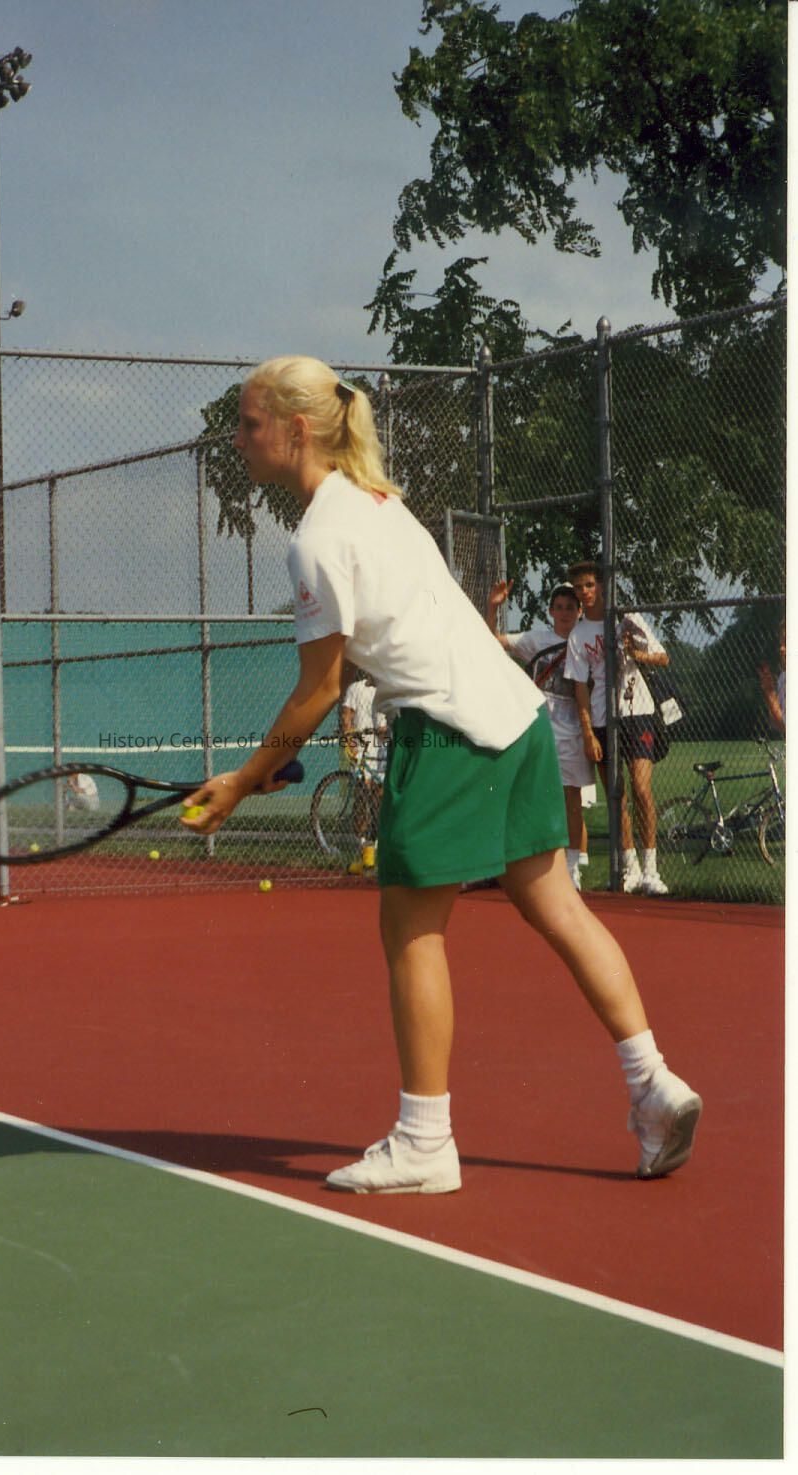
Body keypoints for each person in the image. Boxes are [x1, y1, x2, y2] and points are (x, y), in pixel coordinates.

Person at [180, 356, 701, 1194]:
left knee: (410, 932)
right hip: (520, 722)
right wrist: (270, 762)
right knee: (558, 905)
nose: (236, 440)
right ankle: (654, 1085)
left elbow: (318, 687)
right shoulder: (380, 505)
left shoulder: (315, 538)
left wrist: (241, 780)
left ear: (296, 429)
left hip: (448, 733)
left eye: (248, 424)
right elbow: (366, 656)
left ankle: (425, 1141)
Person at [564, 563, 671, 897]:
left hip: (638, 711)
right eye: (578, 587)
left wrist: (634, 652)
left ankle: (651, 870)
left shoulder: (627, 618)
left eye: (589, 585)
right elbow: (580, 687)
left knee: (641, 787)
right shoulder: (579, 635)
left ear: (601, 586)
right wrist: (588, 733)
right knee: (616, 796)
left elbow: (662, 657)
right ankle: (630, 868)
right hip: (602, 718)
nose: (584, 592)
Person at [487, 578, 593, 890]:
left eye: (570, 607)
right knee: (528, 791)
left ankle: (572, 867)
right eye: (559, 607)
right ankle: (521, 862)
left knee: (571, 797)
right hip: (539, 722)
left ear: (579, 611)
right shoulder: (537, 638)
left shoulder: (585, 640)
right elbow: (493, 641)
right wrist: (493, 607)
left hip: (573, 725)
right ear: (550, 611)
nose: (564, 613)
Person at [339, 670, 387, 871]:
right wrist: (349, 741)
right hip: (362, 749)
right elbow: (347, 717)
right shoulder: (356, 689)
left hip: (382, 749)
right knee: (362, 795)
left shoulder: (386, 689)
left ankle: (375, 848)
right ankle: (361, 847)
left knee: (379, 798)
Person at [757, 623, 785, 735]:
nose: (781, 649)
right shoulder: (783, 677)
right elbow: (778, 723)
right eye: (781, 643)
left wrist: (770, 694)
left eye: (787, 643)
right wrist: (770, 695)